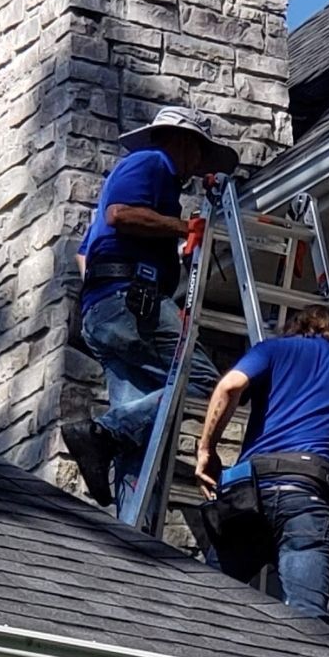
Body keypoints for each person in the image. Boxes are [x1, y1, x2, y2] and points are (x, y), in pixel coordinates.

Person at [62, 105, 237, 509]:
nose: (196, 169)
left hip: (106, 308)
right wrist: (185, 229)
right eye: (198, 155)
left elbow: (84, 255)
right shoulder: (151, 161)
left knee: (139, 430)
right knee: (206, 384)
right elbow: (120, 215)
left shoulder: (147, 179)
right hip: (131, 303)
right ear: (183, 141)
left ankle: (129, 522)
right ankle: (100, 433)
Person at [194, 306, 329, 622]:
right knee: (307, 620)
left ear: (298, 327)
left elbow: (229, 387)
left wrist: (206, 450)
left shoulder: (273, 350)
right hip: (306, 496)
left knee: (211, 605)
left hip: (249, 493)